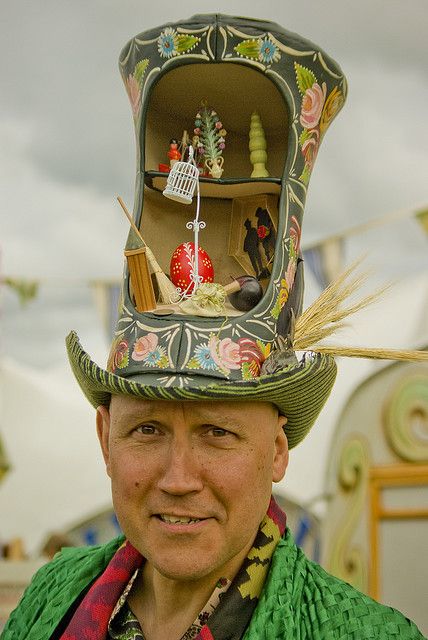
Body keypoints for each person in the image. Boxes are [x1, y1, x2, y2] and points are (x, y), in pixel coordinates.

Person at [2, 13, 426, 640]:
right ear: (105, 437)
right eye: (145, 429)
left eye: (218, 432)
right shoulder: (49, 599)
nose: (178, 478)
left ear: (277, 450)